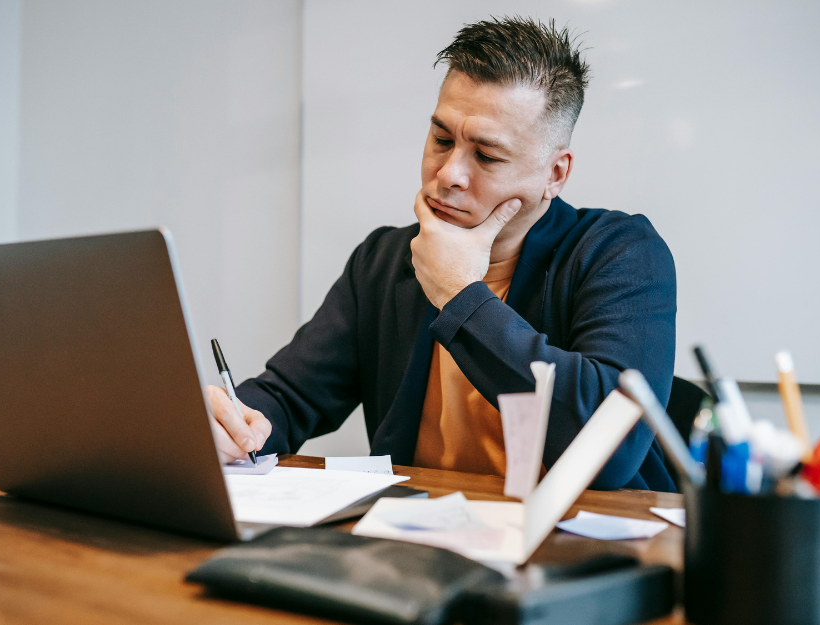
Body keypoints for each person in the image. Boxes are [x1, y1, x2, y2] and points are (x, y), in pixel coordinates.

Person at [206, 17, 677, 491]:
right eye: (442, 139)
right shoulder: (385, 259)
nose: (448, 172)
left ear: (555, 174)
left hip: (576, 547)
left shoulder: (621, 252)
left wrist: (460, 296)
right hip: (418, 541)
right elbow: (287, 397)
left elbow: (610, 449)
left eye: (487, 156)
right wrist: (231, 423)